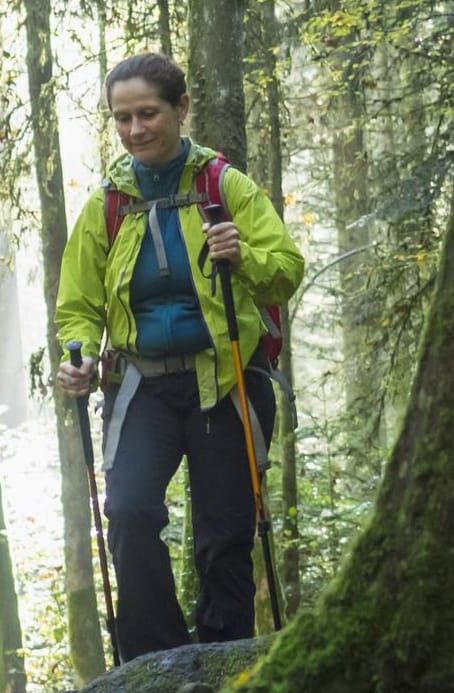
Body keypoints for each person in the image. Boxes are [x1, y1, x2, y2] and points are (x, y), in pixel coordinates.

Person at [55, 53, 304, 661]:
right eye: (122, 118)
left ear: (180, 109)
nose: (135, 129)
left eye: (148, 113)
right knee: (132, 514)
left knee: (225, 534)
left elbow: (285, 274)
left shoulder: (224, 186)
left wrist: (241, 254)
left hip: (226, 378)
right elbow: (78, 304)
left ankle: (222, 667)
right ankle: (154, 665)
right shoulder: (107, 205)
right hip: (141, 383)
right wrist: (77, 356)